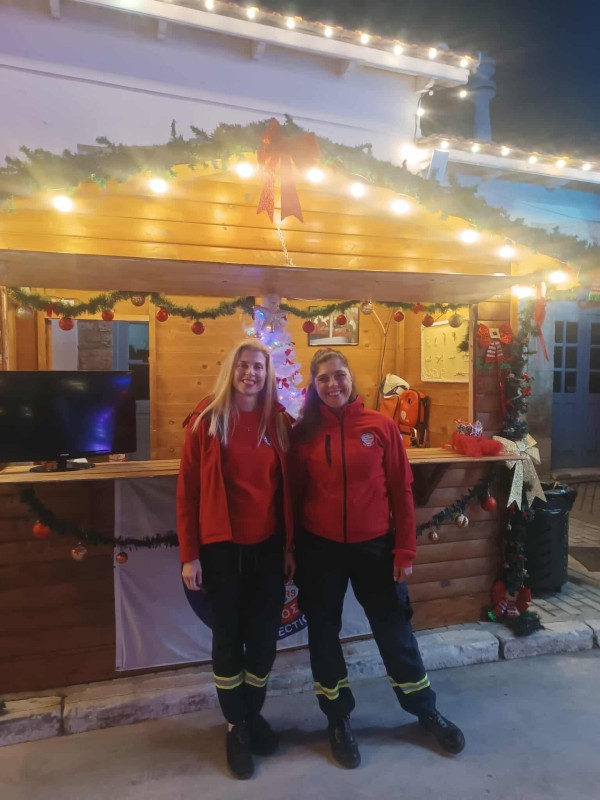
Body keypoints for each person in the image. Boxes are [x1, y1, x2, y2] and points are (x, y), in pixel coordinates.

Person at [292, 348, 465, 769]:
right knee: (323, 637)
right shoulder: (304, 433)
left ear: (351, 378)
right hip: (320, 549)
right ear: (314, 386)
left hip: (375, 547)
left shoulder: (380, 427)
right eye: (323, 378)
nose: (332, 383)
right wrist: (291, 549)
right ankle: (337, 718)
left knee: (395, 633)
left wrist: (405, 549)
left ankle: (424, 709)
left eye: (339, 375)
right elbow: (293, 497)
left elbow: (402, 491)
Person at [177, 339, 295, 780]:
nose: (251, 373)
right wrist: (190, 555)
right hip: (220, 549)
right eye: (244, 365)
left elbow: (289, 491)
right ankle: (236, 726)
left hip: (267, 549)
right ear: (232, 370)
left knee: (263, 641)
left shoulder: (279, 422)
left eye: (258, 367)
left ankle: (249, 713)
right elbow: (187, 493)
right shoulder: (207, 420)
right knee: (228, 639)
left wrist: (289, 547)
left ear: (268, 373)